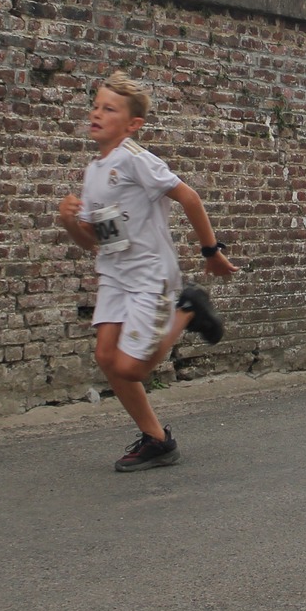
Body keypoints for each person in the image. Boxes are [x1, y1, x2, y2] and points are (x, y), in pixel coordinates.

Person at [56, 72, 235, 473]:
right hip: (115, 273)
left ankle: (188, 307)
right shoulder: (94, 169)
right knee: (106, 357)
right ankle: (156, 439)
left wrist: (211, 251)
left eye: (109, 109)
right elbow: (93, 241)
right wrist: (70, 222)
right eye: (96, 106)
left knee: (132, 367)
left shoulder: (136, 159)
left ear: (132, 123)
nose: (97, 113)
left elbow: (188, 195)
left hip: (150, 275)